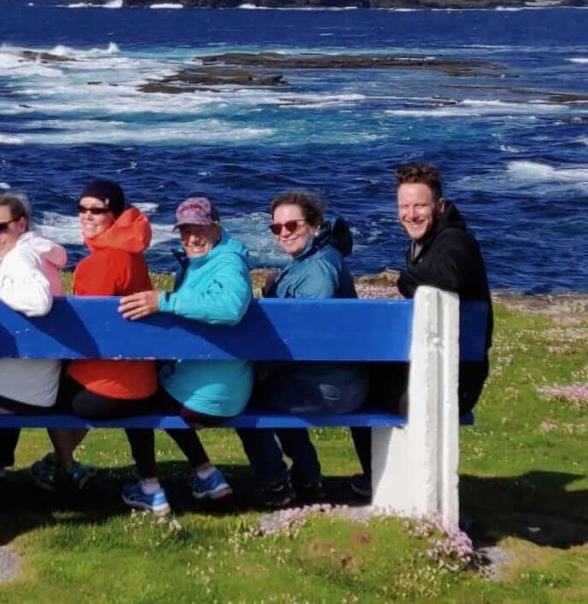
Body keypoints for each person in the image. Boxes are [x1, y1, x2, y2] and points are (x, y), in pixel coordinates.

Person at [350, 162, 493, 496]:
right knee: (359, 380)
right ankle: (385, 476)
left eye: (420, 206)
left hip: (453, 384)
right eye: (404, 206)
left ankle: (385, 480)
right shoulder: (430, 242)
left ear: (439, 206)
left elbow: (450, 276)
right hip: (443, 372)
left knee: (354, 390)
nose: (411, 214)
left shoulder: (454, 241)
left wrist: (404, 278)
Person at [119, 196, 252, 511]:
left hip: (212, 396)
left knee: (133, 398)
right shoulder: (206, 262)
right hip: (222, 385)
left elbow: (230, 307)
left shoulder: (228, 263)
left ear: (216, 228)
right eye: (184, 230)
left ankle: (149, 487)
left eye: (199, 229)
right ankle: (206, 474)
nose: (191, 238)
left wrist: (165, 301)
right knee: (159, 391)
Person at [235, 191, 367, 507]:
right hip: (342, 381)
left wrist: (261, 366)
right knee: (261, 390)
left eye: (291, 225)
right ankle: (308, 477)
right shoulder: (320, 259)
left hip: (328, 388)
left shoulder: (318, 270)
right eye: (276, 228)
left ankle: (277, 483)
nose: (283, 233)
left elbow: (307, 335)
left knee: (237, 399)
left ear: (315, 224)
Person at [29, 180, 159, 495]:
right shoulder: (133, 254)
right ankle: (60, 463)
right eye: (82, 209)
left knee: (48, 392)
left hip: (109, 391)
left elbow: (87, 331)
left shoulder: (100, 262)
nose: (87, 216)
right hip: (144, 382)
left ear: (114, 215)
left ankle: (65, 467)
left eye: (97, 211)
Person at [0, 192, 67, 489]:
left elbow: (39, 301)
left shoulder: (19, 258)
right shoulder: (38, 253)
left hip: (11, 395)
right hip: (43, 391)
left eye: (0, 228)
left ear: (21, 224)